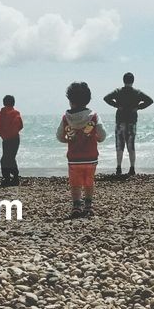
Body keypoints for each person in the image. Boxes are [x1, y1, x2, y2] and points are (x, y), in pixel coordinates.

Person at [56, 81, 106, 218]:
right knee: (89, 181)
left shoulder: (66, 118)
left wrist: (67, 139)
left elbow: (59, 136)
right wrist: (97, 138)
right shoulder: (94, 116)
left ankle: (76, 205)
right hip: (91, 156)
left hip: (74, 158)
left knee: (75, 183)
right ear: (88, 99)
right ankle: (88, 205)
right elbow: (102, 134)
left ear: (70, 100)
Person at [103, 72, 153, 176]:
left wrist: (116, 105)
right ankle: (132, 168)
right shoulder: (137, 92)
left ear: (123, 80)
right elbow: (150, 101)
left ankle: (119, 168)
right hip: (131, 121)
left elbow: (106, 98)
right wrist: (138, 107)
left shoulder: (118, 91)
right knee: (131, 146)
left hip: (120, 120)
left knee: (119, 145)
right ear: (133, 81)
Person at [0, 94, 23, 186]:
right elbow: (20, 125)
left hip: (7, 139)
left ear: (4, 103)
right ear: (13, 103)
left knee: (6, 159)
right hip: (14, 139)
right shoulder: (15, 113)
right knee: (10, 158)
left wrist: (3, 135)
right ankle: (13, 177)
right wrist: (12, 133)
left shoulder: (1, 114)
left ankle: (8, 178)